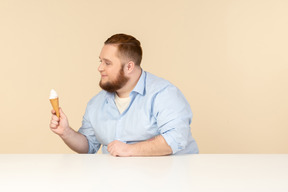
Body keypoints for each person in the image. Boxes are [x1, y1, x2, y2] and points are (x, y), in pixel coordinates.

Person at [49, 33, 198, 156]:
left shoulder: (164, 94)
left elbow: (176, 138)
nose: (100, 68)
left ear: (129, 67)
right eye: (100, 61)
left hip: (168, 181)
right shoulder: (96, 103)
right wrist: (66, 132)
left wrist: (129, 150)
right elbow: (89, 146)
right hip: (117, 182)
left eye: (107, 63)